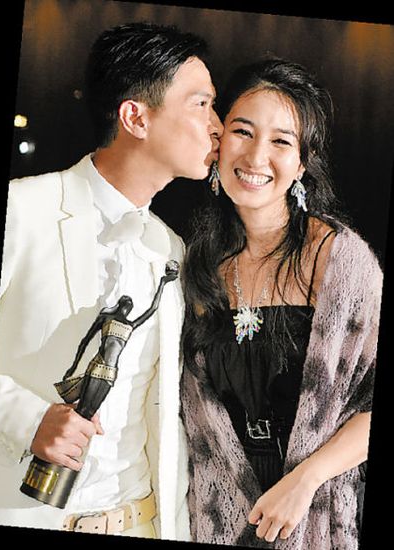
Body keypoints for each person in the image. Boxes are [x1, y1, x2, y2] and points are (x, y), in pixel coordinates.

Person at [0, 21, 222, 539]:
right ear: (135, 116)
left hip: (142, 521)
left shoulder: (171, 250)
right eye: (202, 104)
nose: (218, 126)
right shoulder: (22, 210)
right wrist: (24, 419)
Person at [180, 56, 383, 549]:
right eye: (242, 132)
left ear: (301, 164)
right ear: (218, 139)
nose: (256, 157)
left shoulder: (339, 260)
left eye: (281, 141)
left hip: (315, 517)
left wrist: (305, 480)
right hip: (217, 519)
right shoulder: (197, 264)